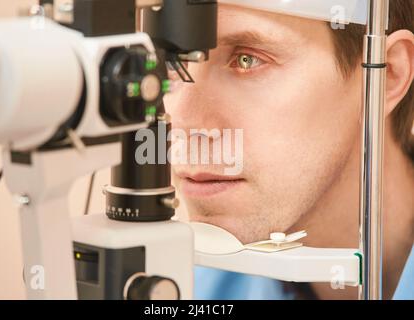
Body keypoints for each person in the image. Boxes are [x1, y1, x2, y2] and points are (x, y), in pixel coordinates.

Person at [164, 0, 414, 299]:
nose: (182, 121)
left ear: (386, 74)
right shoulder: (188, 291)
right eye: (173, 62)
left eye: (247, 60)